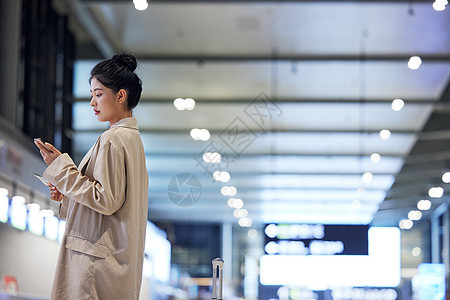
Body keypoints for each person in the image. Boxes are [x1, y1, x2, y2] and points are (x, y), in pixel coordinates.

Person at [34, 53, 149, 300]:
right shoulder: (131, 140)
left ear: (120, 96)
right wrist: (68, 194)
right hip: (113, 261)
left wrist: (62, 169)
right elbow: (114, 199)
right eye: (91, 95)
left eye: (98, 94)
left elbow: (106, 199)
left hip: (96, 267)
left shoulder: (113, 139)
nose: (92, 102)